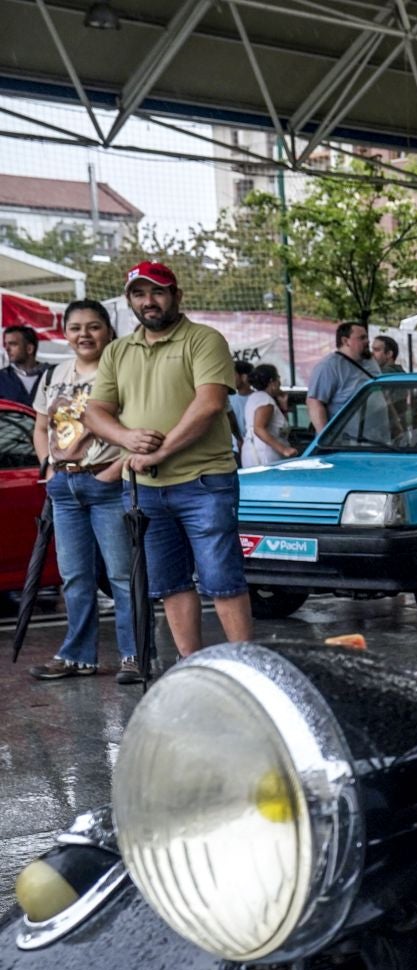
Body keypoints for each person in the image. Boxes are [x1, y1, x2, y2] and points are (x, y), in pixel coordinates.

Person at [82, 261, 252, 658]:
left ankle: (248, 667)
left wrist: (159, 451)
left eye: (157, 292)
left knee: (222, 580)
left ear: (176, 295)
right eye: (139, 294)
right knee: (170, 584)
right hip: (145, 489)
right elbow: (94, 412)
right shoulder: (118, 351)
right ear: (130, 302)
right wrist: (127, 438)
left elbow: (210, 404)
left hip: (204, 482)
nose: (149, 301)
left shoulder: (203, 339)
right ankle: (190, 667)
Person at [28, 301, 138, 684]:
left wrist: (115, 470)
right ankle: (78, 656)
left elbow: (141, 425)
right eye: (75, 328)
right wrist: (50, 466)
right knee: (74, 576)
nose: (84, 335)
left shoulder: (122, 370)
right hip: (65, 487)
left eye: (93, 327)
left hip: (107, 484)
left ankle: (134, 655)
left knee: (123, 576)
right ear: (65, 333)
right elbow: (41, 426)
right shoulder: (55, 373)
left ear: (108, 331)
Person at [306, 321, 381, 430]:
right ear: (345, 341)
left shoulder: (370, 362)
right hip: (349, 442)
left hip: (379, 437)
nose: (367, 341)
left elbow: (382, 395)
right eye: (362, 338)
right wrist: (325, 439)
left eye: (367, 337)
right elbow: (314, 403)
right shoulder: (328, 366)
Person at [238, 362, 296, 468]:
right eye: (278, 379)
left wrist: (284, 407)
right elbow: (259, 428)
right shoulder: (265, 400)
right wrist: (284, 450)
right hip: (264, 455)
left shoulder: (255, 397)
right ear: (272, 382)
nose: (280, 383)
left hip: (255, 453)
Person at [0, 325, 52, 406]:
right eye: (6, 344)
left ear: (29, 349)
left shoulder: (54, 376)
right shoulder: (2, 378)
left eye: (13, 344)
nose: (7, 349)